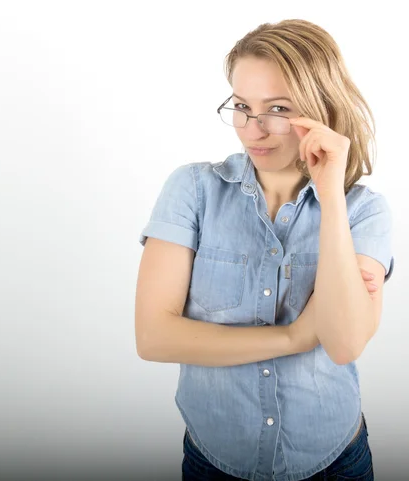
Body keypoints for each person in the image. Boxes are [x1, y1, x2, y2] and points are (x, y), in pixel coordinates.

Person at [135, 19, 394, 481]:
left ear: (321, 108)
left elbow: (344, 342)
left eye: (277, 108)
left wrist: (331, 194)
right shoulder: (192, 190)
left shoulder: (363, 212)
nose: (252, 129)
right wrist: (294, 337)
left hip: (335, 461)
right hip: (215, 461)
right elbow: (154, 337)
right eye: (241, 106)